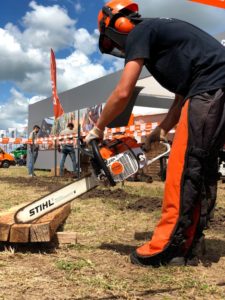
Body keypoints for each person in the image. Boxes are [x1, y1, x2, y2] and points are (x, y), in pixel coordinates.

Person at [85, 0, 225, 267]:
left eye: (110, 41)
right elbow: (180, 102)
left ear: (117, 25)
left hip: (209, 91)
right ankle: (190, 241)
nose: (117, 48)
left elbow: (124, 91)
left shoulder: (140, 32)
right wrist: (157, 133)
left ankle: (169, 247)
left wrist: (98, 128)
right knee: (201, 166)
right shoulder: (168, 40)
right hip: (214, 91)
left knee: (182, 168)